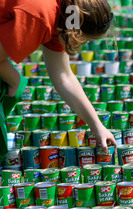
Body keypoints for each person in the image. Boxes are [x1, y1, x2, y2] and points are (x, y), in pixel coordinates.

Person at [0, 0, 117, 156]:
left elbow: (64, 77)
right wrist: (15, 79)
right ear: (75, 30)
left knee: (17, 90)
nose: (82, 44)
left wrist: (97, 126)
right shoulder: (40, 17)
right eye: (84, 39)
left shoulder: (64, 13)